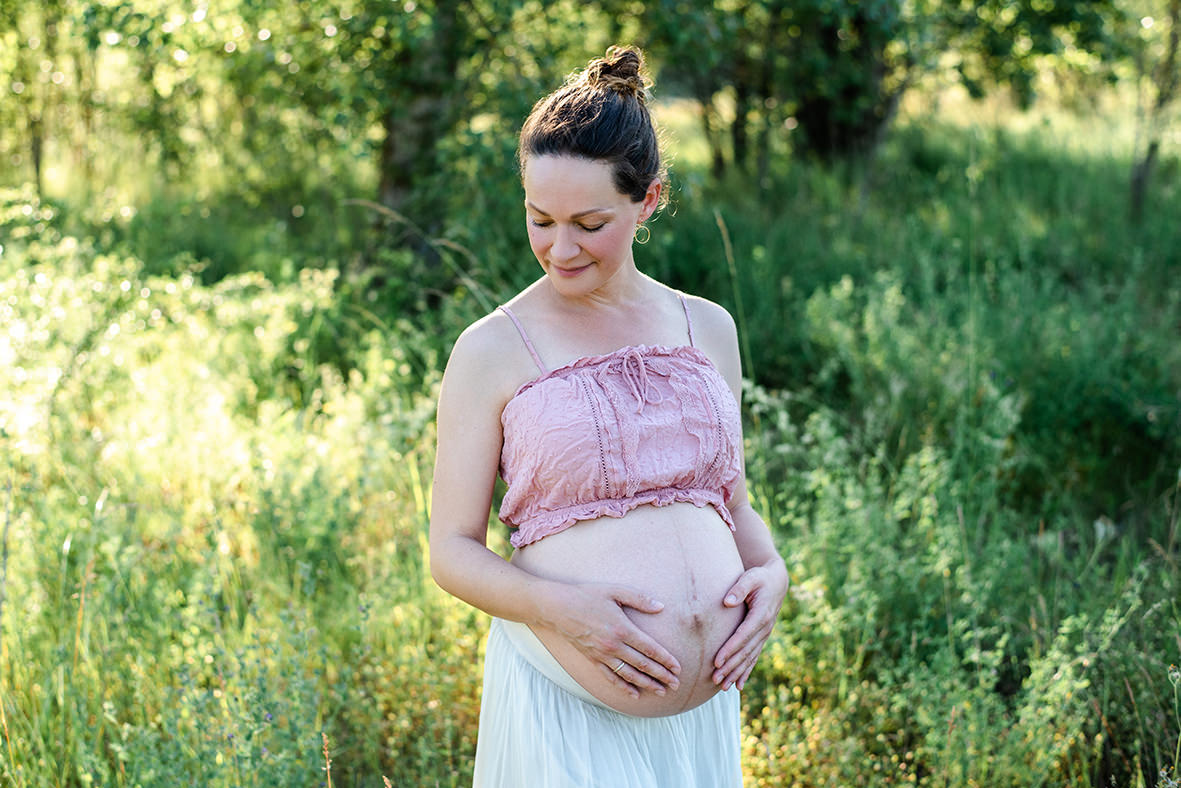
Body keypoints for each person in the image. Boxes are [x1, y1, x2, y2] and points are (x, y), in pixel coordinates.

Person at [429, 45, 789, 787]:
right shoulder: (492, 349)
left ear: (647, 200)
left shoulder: (706, 328)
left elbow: (732, 503)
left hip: (700, 721)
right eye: (539, 219)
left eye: (589, 223)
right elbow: (452, 550)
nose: (559, 249)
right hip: (568, 703)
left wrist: (772, 573)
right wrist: (562, 611)